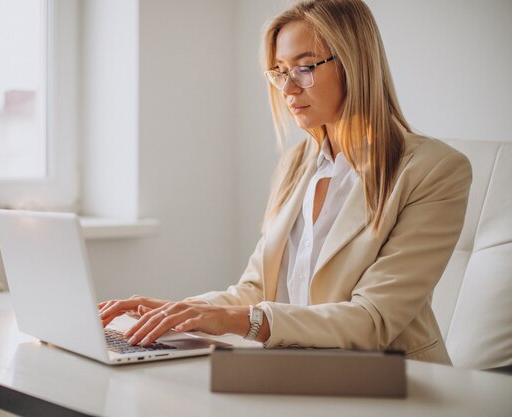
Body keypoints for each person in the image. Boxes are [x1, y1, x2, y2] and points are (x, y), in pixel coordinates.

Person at [99, 0, 471, 364]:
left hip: (393, 383)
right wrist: (175, 311)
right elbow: (256, 289)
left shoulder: (434, 170)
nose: (288, 89)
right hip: (297, 372)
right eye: (279, 72)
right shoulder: (295, 164)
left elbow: (372, 320)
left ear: (355, 65)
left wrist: (238, 320)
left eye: (304, 68)